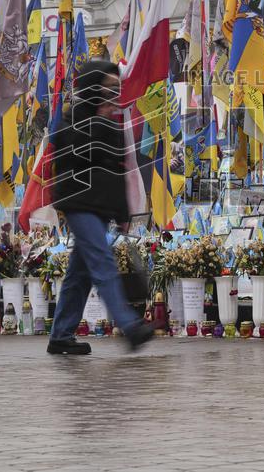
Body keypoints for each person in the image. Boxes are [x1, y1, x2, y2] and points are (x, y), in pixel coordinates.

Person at [48, 60, 154, 355]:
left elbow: (116, 173)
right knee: (102, 262)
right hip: (78, 203)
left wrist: (122, 214)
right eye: (108, 92)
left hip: (100, 207)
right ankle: (130, 326)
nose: (114, 99)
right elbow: (63, 151)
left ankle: (61, 335)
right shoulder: (72, 121)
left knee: (79, 274)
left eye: (115, 92)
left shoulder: (112, 126)